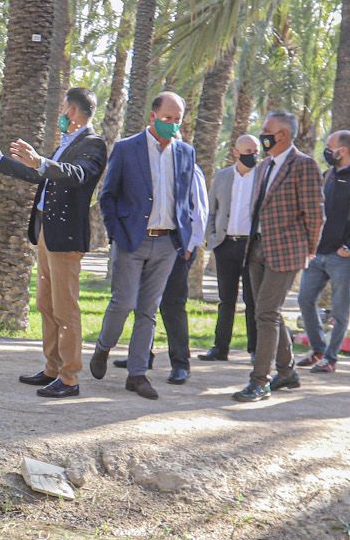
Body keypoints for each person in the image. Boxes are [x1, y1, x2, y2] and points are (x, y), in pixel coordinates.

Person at [0, 87, 108, 399]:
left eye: (64, 108)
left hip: (65, 238)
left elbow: (76, 174)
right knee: (47, 305)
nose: (61, 115)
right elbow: (42, 176)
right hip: (45, 234)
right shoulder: (67, 143)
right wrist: (2, 163)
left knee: (66, 309)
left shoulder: (93, 145)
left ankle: (69, 378)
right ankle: (52, 368)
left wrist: (41, 160)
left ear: (75, 111)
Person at [91, 92, 207, 399]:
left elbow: (186, 198)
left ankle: (137, 374)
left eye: (177, 120)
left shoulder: (185, 153)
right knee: (124, 302)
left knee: (148, 310)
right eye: (167, 118)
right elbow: (108, 196)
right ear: (152, 116)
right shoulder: (128, 149)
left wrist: (186, 237)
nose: (172, 124)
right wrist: (116, 233)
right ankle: (103, 347)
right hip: (132, 240)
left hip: (167, 243)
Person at [233, 110, 325, 404]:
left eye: (266, 130)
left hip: (286, 250)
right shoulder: (263, 167)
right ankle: (286, 372)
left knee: (265, 312)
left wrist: (309, 248)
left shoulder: (304, 165)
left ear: (283, 134)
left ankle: (259, 381)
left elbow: (315, 214)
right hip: (257, 246)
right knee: (266, 311)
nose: (262, 134)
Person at [296, 129, 350, 374]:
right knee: (304, 299)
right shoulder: (329, 175)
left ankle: (330, 358)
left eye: (329, 146)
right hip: (318, 252)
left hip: (343, 255)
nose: (326, 149)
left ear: (342, 150)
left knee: (340, 308)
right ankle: (318, 348)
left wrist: (349, 246)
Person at [201, 133, 261, 362]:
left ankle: (255, 349)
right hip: (225, 245)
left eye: (255, 152)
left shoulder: (262, 177)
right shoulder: (223, 176)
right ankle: (220, 347)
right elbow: (212, 210)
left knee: (252, 299)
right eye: (247, 153)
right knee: (226, 299)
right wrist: (213, 237)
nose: (252, 157)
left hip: (252, 246)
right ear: (236, 152)